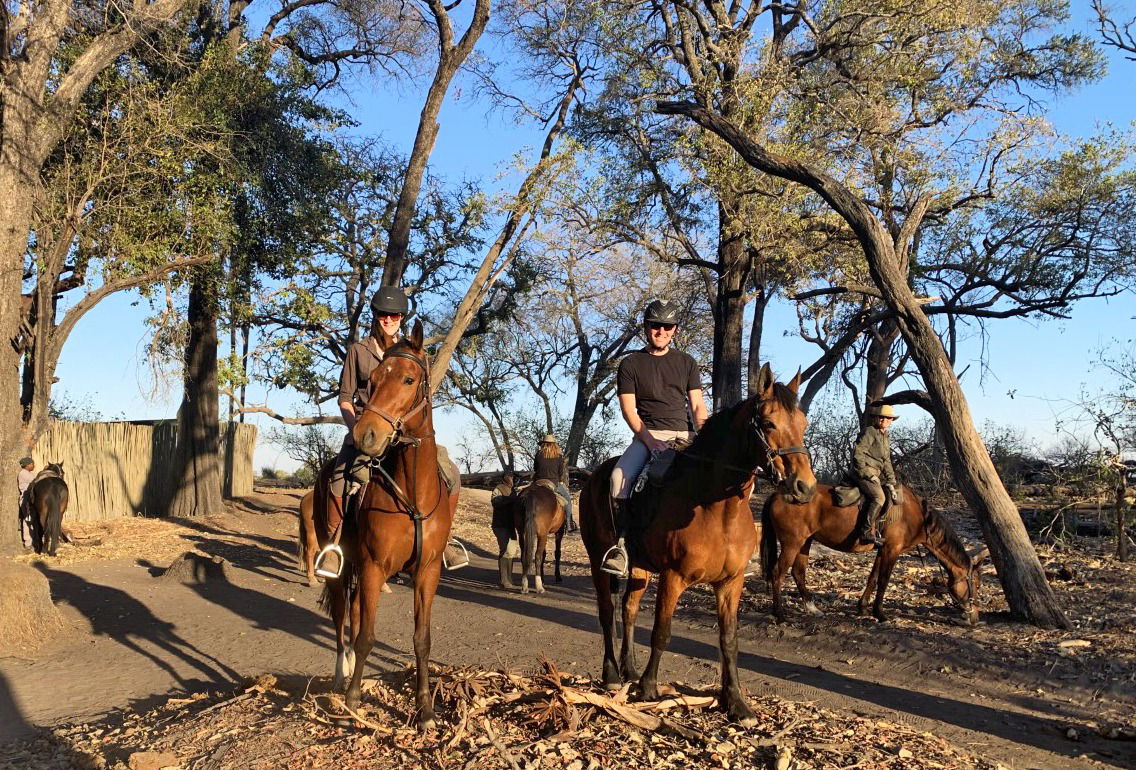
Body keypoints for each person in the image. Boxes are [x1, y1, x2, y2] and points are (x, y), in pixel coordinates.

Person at [315, 287, 467, 577]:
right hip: (369, 429)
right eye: (384, 315)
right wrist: (356, 428)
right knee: (338, 477)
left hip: (405, 433)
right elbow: (345, 397)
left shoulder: (410, 351)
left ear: (401, 317)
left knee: (451, 473)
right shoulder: (359, 351)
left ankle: (444, 539)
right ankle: (334, 547)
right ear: (376, 316)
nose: (389, 319)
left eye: (394, 315)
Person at [601, 300, 708, 577]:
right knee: (618, 479)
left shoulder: (687, 362)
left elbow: (697, 406)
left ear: (675, 330)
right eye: (655, 326)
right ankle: (622, 546)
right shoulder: (630, 364)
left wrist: (704, 435)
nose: (661, 331)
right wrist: (650, 442)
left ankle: (734, 548)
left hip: (686, 435)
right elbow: (628, 410)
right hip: (649, 435)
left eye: (667, 326)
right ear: (646, 328)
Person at [851, 403, 902, 546]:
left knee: (893, 494)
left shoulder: (885, 436)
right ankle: (865, 532)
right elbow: (858, 453)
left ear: (891, 421)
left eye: (888, 418)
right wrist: (866, 473)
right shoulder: (869, 432)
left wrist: (891, 482)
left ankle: (880, 528)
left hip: (876, 474)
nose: (884, 420)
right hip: (863, 473)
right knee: (879, 497)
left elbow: (886, 461)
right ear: (876, 418)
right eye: (881, 417)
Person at [533, 435, 575, 531]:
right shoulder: (559, 457)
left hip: (538, 482)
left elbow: (535, 469)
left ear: (543, 444)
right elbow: (560, 473)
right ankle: (569, 523)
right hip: (553, 483)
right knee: (567, 499)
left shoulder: (538, 454)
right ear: (554, 445)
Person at [17, 457, 35, 549]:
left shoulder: (28, 473)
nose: (33, 465)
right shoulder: (24, 473)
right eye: (32, 464)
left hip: (30, 499)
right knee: (27, 519)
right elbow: (36, 481)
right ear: (28, 465)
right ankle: (28, 542)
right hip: (26, 500)